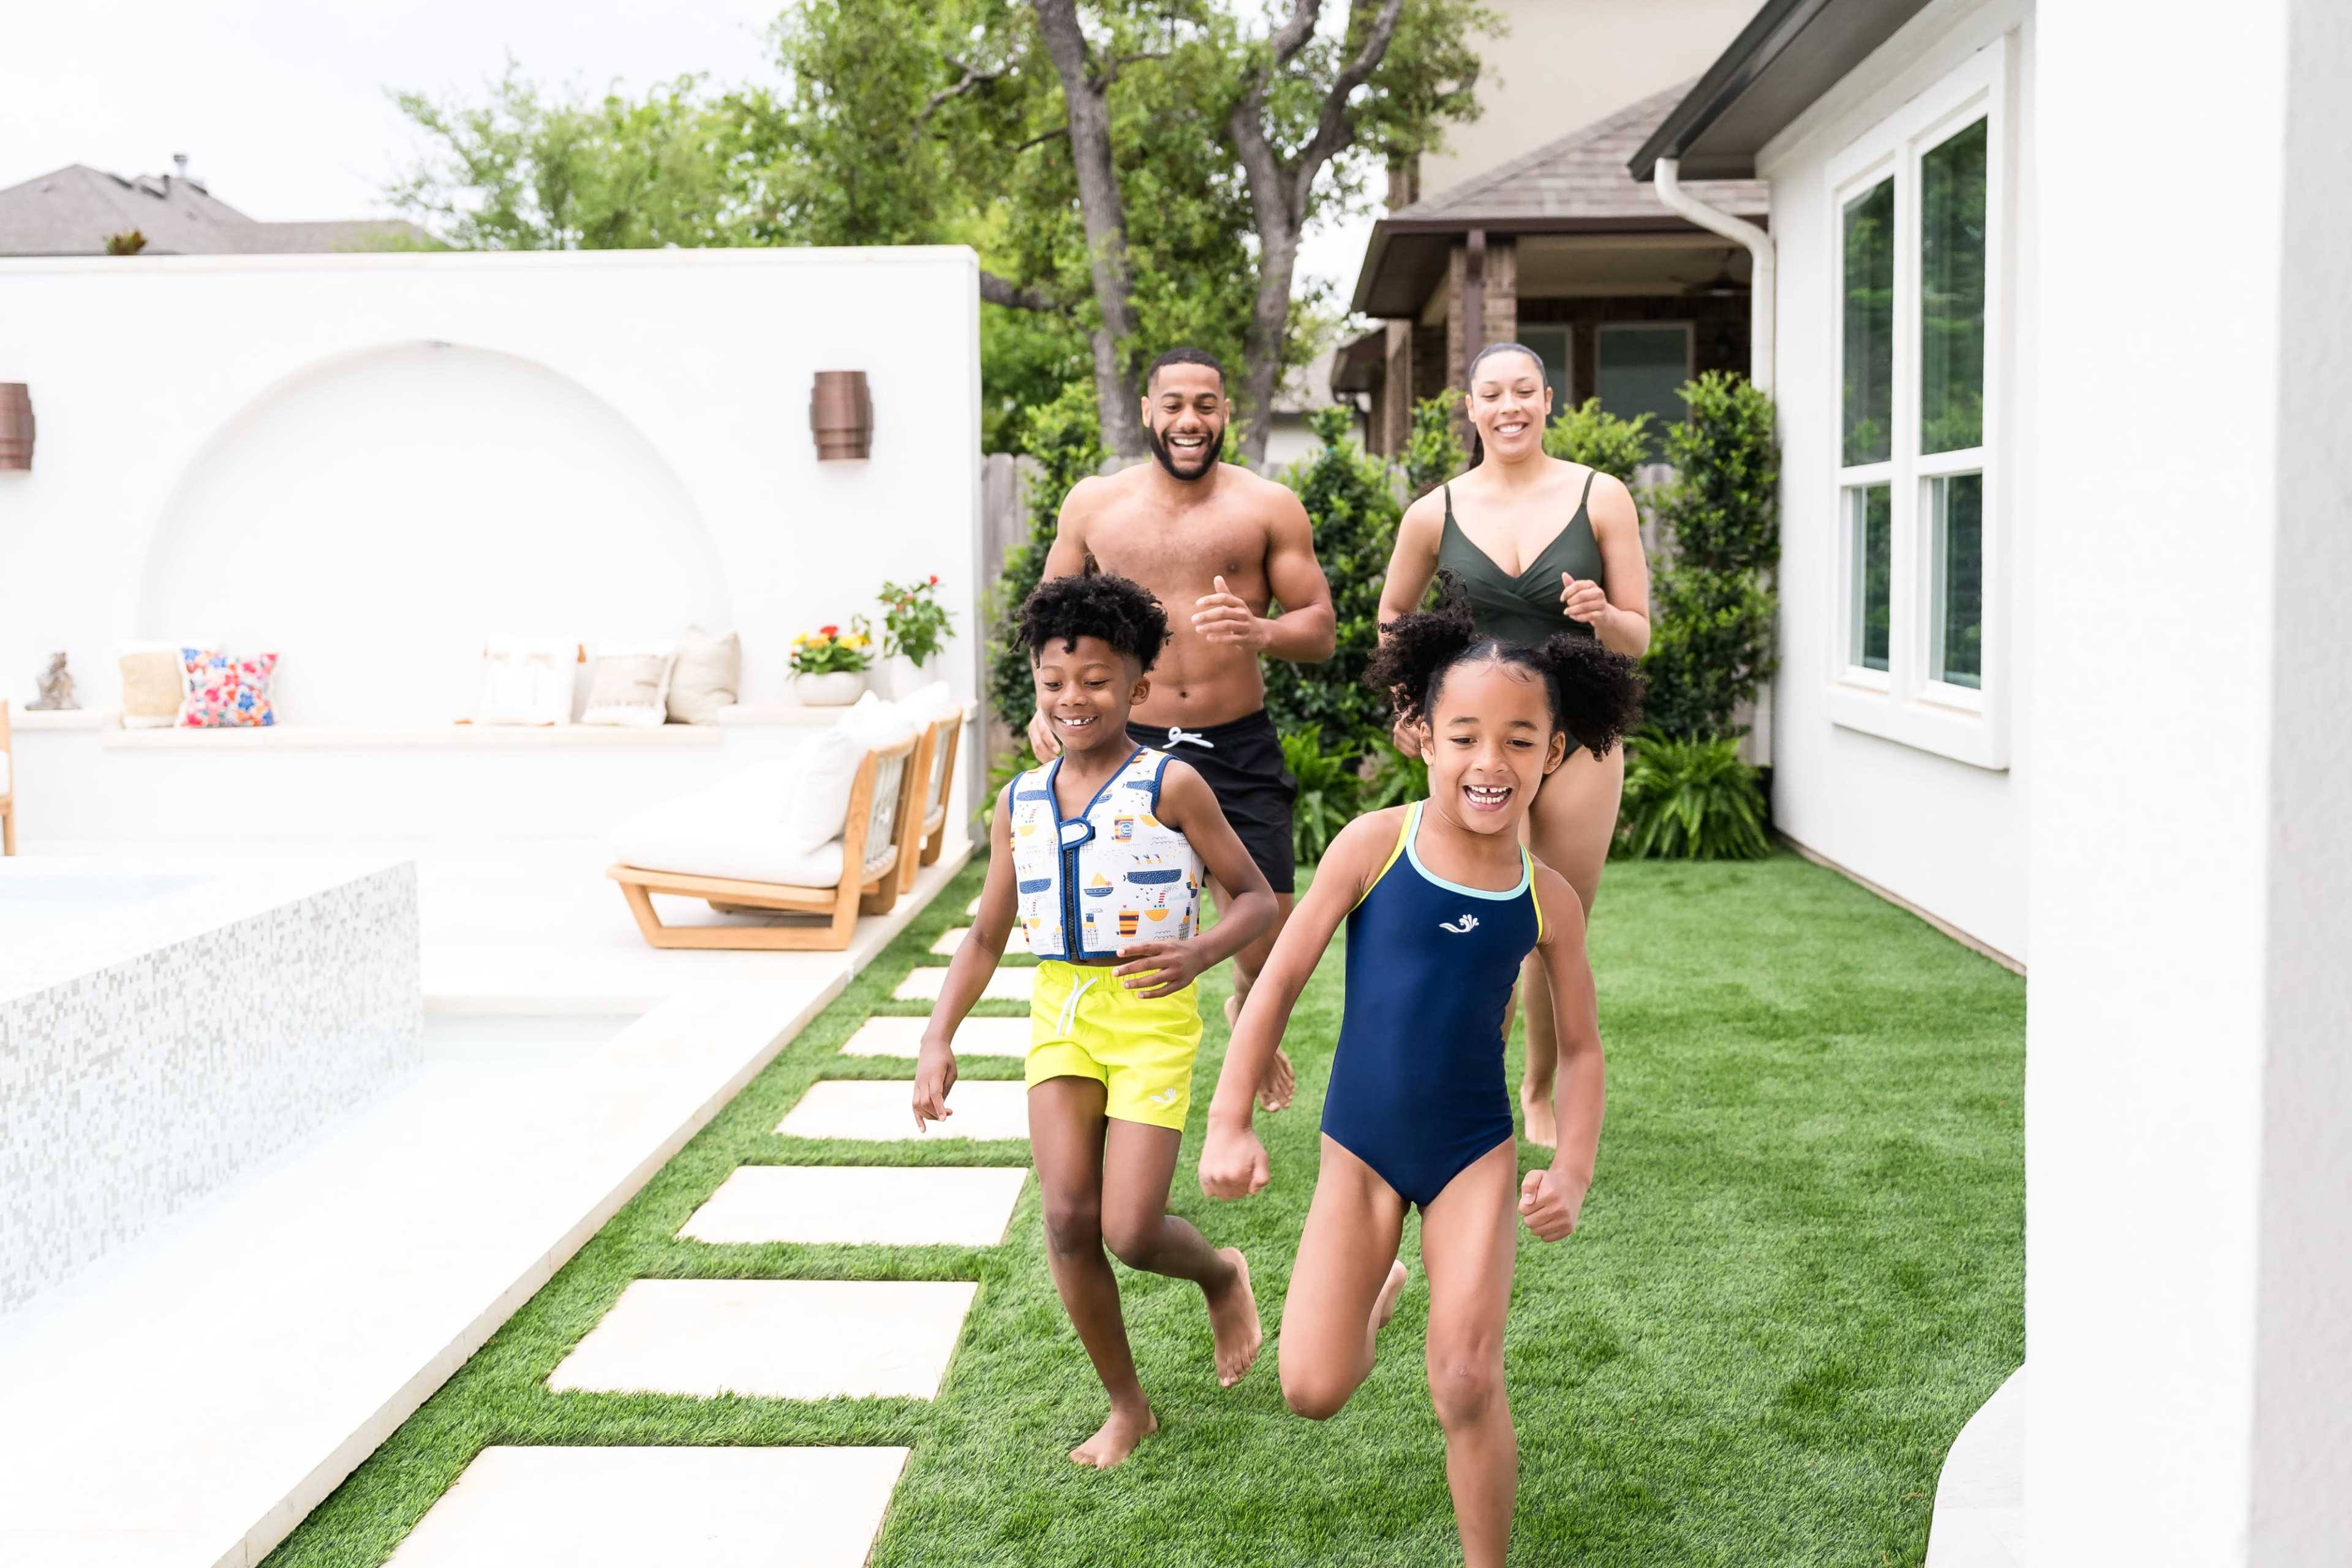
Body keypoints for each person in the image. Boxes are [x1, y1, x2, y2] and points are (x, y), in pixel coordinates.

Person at [1196, 581, 1642, 1568]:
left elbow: (1580, 1048)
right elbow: (1276, 982)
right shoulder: (1374, 844)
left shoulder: (1547, 899)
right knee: (1313, 1390)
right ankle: (1379, 1282)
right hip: (1361, 1145)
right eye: (1467, 737)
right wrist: (1229, 1120)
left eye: (1521, 740)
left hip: (1472, 1152)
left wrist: (1571, 1166)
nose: (1492, 762)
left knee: (1466, 1380)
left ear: (1555, 754)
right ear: (1422, 738)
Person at [918, 570, 1276, 1470]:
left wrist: (1198, 954)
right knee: (1069, 1220)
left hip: (1150, 1014)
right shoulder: (1020, 803)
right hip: (1060, 1013)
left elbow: (1256, 899)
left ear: (1138, 689)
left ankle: (1221, 1273)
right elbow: (988, 934)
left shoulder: (1173, 786)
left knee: (1131, 1228)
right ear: (1035, 687)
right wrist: (936, 1037)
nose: (1074, 698)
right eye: (1054, 682)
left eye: (1097, 681)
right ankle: (1128, 1405)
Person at [1028, 346, 1336, 1114]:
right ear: (1148, 412)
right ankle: (1113, 1064)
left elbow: (1322, 629)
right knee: (1120, 919)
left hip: (1236, 739)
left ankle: (1245, 1002)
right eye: (1174, 405)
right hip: (1129, 747)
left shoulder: (1268, 506)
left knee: (1269, 923)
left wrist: (1263, 634)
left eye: (1206, 404)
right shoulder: (1096, 505)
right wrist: (1043, 707)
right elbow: (1049, 620)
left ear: (1228, 412)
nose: (1189, 420)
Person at [1374, 341, 1652, 1147]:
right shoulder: (1435, 512)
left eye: (1524, 391)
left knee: (1553, 919)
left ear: (1548, 399)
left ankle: (1537, 1091)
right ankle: (1468, 1083)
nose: (1509, 407)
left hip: (1579, 732)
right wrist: (1408, 701)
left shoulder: (1602, 499)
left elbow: (1636, 638)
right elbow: (1395, 614)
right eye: (1492, 393)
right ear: (1471, 407)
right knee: (1475, 909)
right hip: (1476, 740)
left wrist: (1601, 612)